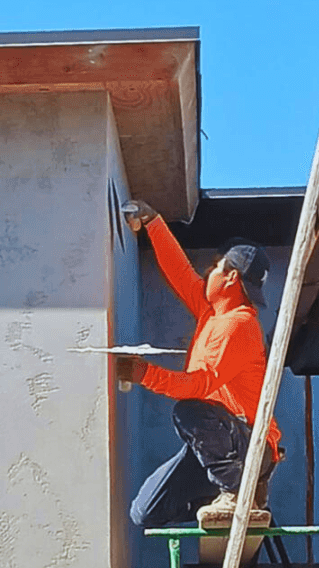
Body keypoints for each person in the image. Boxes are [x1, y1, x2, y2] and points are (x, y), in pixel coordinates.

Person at [117, 200, 283, 529]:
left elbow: (201, 384)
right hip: (217, 443)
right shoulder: (212, 313)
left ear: (232, 277)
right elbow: (180, 274)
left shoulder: (240, 323)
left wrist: (144, 374)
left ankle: (236, 492)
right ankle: (217, 495)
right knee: (144, 513)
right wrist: (154, 222)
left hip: (248, 445)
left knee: (190, 411)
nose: (209, 272)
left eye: (217, 267)